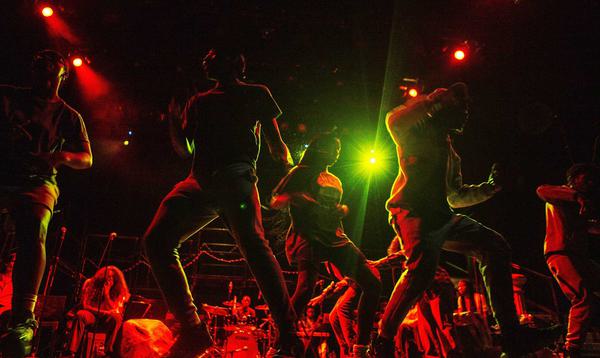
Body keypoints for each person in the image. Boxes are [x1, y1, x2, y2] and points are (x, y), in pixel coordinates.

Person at [373, 82, 561, 357]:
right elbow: (393, 120)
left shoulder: (451, 153)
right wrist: (434, 101)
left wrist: (491, 187)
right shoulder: (416, 133)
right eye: (462, 109)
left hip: (442, 216)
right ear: (445, 109)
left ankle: (511, 335)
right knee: (421, 273)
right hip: (412, 213)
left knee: (494, 245)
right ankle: (384, 340)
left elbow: (456, 196)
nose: (467, 115)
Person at [142, 47, 299, 358]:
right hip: (198, 179)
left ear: (232, 63)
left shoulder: (257, 93)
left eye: (213, 56)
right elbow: (187, 150)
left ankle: (289, 333)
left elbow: (276, 145)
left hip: (235, 174)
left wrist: (293, 180)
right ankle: (194, 330)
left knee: (254, 246)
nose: (205, 59)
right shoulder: (199, 101)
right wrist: (175, 121)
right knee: (156, 242)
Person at [0, 50, 92, 357]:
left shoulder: (68, 115)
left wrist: (60, 157)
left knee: (34, 228)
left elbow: (86, 158)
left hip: (38, 182)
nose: (45, 75)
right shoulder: (9, 97)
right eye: (40, 69)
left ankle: (23, 317)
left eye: (52, 70)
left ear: (63, 76)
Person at [271, 132, 382, 358]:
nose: (338, 153)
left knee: (373, 282)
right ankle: (279, 345)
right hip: (308, 235)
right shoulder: (301, 172)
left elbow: (331, 212)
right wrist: (300, 198)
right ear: (321, 148)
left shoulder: (335, 180)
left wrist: (340, 211)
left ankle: (361, 346)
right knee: (305, 289)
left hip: (335, 237)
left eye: (340, 150)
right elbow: (276, 200)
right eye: (334, 148)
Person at [537, 163, 600, 358]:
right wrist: (577, 196)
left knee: (589, 296)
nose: (589, 182)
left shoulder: (579, 205)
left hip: (578, 257)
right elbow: (541, 190)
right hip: (560, 253)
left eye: (591, 179)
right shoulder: (560, 194)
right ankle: (570, 348)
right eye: (585, 178)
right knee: (581, 296)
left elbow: (588, 228)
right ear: (573, 179)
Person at [66, 266, 130, 357]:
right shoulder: (89, 283)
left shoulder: (118, 290)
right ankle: (71, 351)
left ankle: (109, 352)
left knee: (116, 318)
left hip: (105, 320)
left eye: (112, 278)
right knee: (81, 314)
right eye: (108, 277)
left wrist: (107, 294)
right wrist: (102, 312)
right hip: (92, 315)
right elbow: (85, 305)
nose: (109, 280)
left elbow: (115, 310)